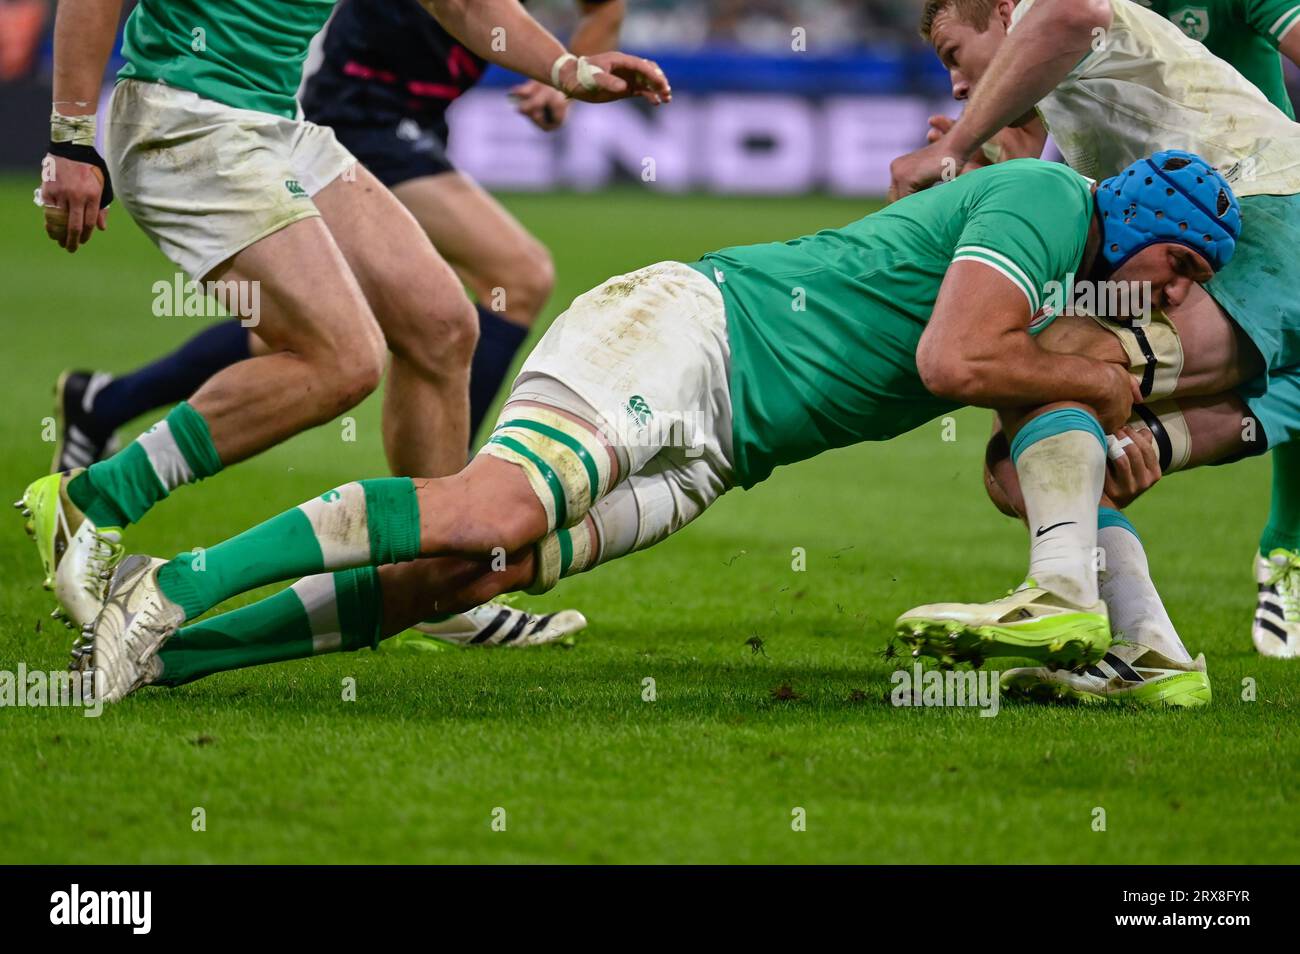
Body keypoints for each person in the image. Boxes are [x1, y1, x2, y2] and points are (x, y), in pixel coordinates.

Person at [70, 152, 1239, 703]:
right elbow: (951, 359)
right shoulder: (1047, 202)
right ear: (1139, 214)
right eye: (1179, 266)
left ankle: (168, 655)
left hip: (726, 451)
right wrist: (1099, 388)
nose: (1176, 294)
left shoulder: (1065, 288)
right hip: (690, 333)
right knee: (491, 505)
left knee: (467, 572)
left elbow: (1002, 429)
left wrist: (1097, 417)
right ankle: (169, 584)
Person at [22, 0, 669, 647]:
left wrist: (565, 69)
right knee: (343, 358)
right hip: (185, 119)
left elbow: (461, 4)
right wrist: (70, 138)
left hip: (281, 124)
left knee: (440, 325)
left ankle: (433, 582)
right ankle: (98, 496)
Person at [890, 0, 1300, 665]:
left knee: (1033, 371)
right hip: (1249, 252)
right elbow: (1024, 176)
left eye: (953, 55)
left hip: (1271, 213)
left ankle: (1065, 593)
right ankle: (1150, 652)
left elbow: (1072, 12)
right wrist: (977, 166)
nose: (957, 85)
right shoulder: (1050, 81)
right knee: (1021, 460)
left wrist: (952, 146)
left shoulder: (1049, 11)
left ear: (1004, 12)